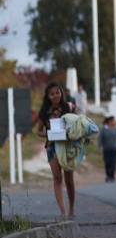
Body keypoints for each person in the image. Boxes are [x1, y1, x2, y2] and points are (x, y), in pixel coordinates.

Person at [34, 82, 77, 219]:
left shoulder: (68, 107)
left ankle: (71, 208)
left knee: (69, 179)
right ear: (47, 96)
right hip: (52, 147)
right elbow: (38, 131)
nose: (55, 96)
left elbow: (78, 125)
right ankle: (62, 211)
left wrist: (71, 132)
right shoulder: (44, 112)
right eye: (52, 94)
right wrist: (48, 134)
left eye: (57, 92)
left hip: (67, 146)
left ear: (61, 93)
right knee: (57, 177)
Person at [99, 116, 116, 183]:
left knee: (113, 163)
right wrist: (100, 147)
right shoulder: (104, 129)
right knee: (107, 163)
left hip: (115, 149)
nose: (115, 122)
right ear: (110, 121)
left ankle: (112, 176)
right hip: (106, 149)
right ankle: (108, 176)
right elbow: (100, 139)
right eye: (114, 120)